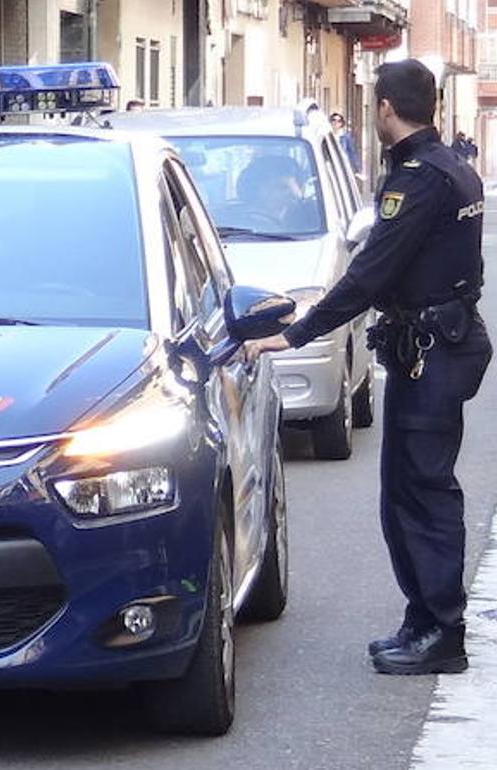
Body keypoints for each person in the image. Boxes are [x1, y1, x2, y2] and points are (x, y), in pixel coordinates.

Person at [245, 60, 490, 675]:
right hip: (432, 345)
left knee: (422, 493)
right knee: (405, 492)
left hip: (428, 353)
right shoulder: (451, 167)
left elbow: (368, 274)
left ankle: (441, 631)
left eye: (375, 103)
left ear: (385, 107)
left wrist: (296, 333)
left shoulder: (419, 178)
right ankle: (423, 619)